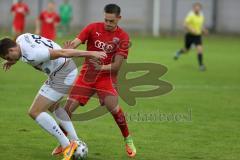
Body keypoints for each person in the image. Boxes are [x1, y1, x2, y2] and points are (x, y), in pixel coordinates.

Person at [0, 33, 106, 160]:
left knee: (35, 111)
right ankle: (74, 140)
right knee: (53, 107)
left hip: (63, 73)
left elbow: (63, 52)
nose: (9, 59)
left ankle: (66, 145)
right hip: (62, 70)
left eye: (8, 57)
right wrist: (12, 61)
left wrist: (91, 53)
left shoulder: (33, 55)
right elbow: (34, 48)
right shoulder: (21, 38)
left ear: (11, 50)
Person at [52, 3, 137, 158]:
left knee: (114, 108)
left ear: (119, 18)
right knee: (68, 110)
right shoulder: (92, 28)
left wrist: (101, 69)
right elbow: (76, 42)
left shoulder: (123, 37)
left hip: (107, 77)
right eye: (106, 20)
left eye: (112, 21)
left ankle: (127, 138)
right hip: (87, 76)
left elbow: (117, 66)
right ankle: (63, 142)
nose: (108, 24)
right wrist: (70, 48)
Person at [174, 2, 208, 71]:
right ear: (193, 8)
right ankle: (179, 52)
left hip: (197, 36)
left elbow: (200, 26)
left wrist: (204, 30)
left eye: (198, 7)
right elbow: (185, 24)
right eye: (196, 7)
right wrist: (191, 29)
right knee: (186, 50)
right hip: (189, 35)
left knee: (200, 49)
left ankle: (201, 65)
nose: (197, 9)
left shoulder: (201, 15)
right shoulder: (191, 15)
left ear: (200, 8)